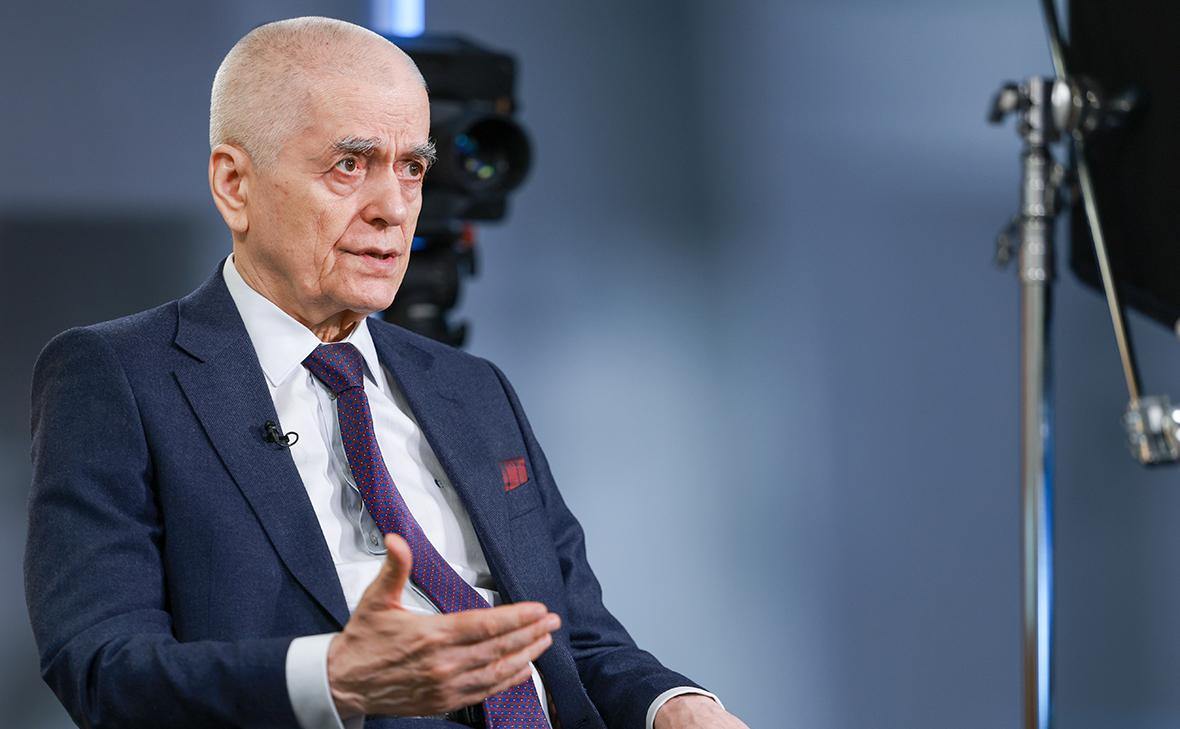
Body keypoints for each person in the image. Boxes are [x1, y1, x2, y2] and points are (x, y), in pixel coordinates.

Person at [24, 16, 748, 729]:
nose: (395, 209)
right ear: (235, 184)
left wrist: (675, 705)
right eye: (350, 165)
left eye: (412, 169)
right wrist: (336, 677)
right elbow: (103, 668)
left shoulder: (474, 388)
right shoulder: (119, 375)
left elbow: (579, 640)